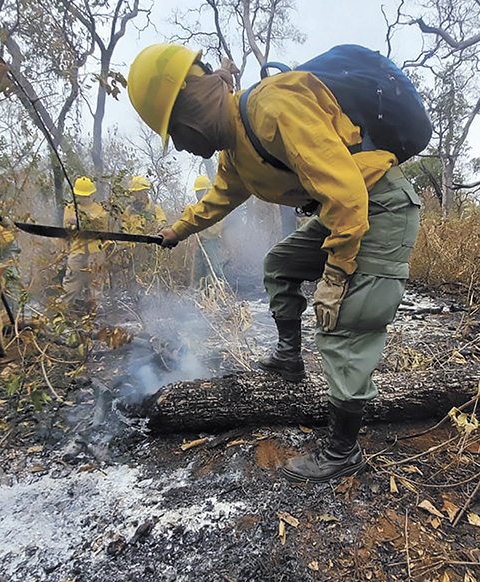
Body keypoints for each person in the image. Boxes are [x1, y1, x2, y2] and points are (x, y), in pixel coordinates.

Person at [127, 44, 422, 483]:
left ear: (192, 105)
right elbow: (219, 198)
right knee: (280, 263)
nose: (184, 147)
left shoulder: (272, 107)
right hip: (345, 210)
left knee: (343, 319)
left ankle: (342, 450)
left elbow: (347, 195)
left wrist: (337, 275)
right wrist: (177, 231)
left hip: (377, 207)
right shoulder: (235, 150)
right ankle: (289, 358)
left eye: (177, 133)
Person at [60, 176, 108, 313]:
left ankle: (94, 312)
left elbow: (102, 228)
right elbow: (67, 229)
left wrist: (86, 220)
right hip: (77, 249)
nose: (84, 198)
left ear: (91, 194)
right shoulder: (70, 209)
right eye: (81, 196)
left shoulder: (100, 210)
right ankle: (64, 311)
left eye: (86, 196)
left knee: (96, 281)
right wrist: (72, 222)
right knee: (72, 279)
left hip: (95, 250)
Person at [190, 174, 226, 287]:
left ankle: (219, 296)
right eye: (197, 192)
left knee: (215, 272)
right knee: (198, 272)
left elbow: (215, 230)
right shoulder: (198, 208)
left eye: (200, 191)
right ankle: (197, 296)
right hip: (201, 245)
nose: (198, 195)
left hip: (212, 244)